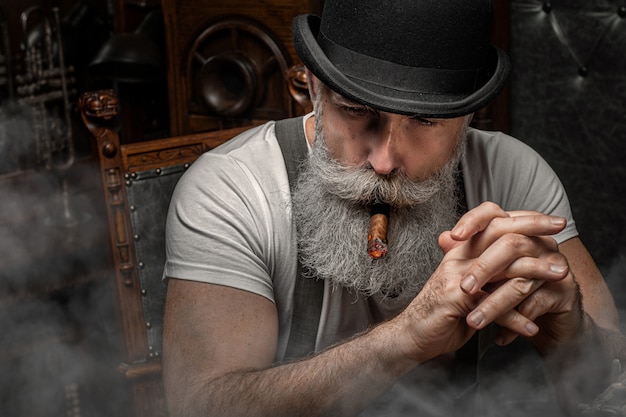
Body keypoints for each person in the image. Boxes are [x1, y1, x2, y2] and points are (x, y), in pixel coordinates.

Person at [161, 0, 625, 416]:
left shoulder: (513, 173)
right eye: (356, 110)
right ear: (314, 91)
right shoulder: (231, 190)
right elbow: (200, 406)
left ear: (467, 118)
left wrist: (572, 332)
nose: (384, 162)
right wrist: (405, 338)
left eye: (423, 121)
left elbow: (612, 384)